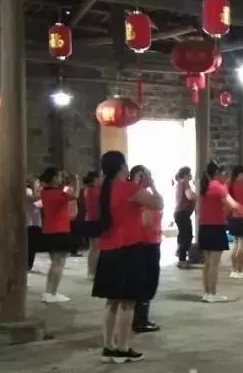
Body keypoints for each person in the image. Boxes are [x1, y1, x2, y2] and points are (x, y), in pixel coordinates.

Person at [92, 151, 164, 363]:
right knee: (127, 303)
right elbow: (158, 204)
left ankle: (108, 346)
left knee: (112, 302)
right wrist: (151, 185)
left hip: (109, 249)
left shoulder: (105, 189)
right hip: (128, 249)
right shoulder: (128, 188)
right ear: (122, 166)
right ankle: (123, 347)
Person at [198, 161, 243, 303]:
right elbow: (232, 205)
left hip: (204, 226)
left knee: (207, 263)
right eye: (224, 174)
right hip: (216, 227)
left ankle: (207, 293)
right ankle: (212, 294)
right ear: (217, 173)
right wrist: (241, 209)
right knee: (214, 264)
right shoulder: (218, 187)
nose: (226, 176)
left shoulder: (205, 186)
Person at [38, 167, 80, 303]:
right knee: (59, 264)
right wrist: (76, 180)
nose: (62, 178)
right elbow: (75, 196)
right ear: (54, 178)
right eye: (59, 176)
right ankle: (52, 293)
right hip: (60, 230)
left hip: (48, 230)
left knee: (54, 264)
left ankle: (48, 292)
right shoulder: (58, 193)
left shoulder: (44, 192)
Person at [129, 166, 162, 332]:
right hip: (146, 243)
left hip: (151, 242)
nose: (151, 177)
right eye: (148, 175)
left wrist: (153, 186)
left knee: (148, 281)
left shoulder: (144, 194)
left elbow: (160, 203)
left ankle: (140, 318)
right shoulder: (140, 196)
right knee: (147, 281)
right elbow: (148, 221)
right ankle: (140, 320)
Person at [172, 167, 197, 270]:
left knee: (184, 236)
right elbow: (190, 196)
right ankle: (181, 260)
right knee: (186, 237)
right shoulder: (184, 182)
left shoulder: (180, 183)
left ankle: (181, 256)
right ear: (186, 175)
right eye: (190, 174)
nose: (191, 176)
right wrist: (198, 195)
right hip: (182, 213)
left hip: (181, 213)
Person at [81, 171, 102, 280]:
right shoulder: (93, 190)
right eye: (100, 178)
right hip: (95, 220)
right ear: (95, 179)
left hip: (90, 219)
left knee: (93, 248)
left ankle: (91, 271)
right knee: (96, 248)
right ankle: (92, 272)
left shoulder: (88, 189)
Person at [24, 177, 43, 273]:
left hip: (35, 222)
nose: (38, 184)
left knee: (33, 246)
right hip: (29, 222)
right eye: (37, 182)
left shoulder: (35, 192)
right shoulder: (27, 190)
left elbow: (41, 204)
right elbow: (35, 201)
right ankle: (26, 265)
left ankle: (29, 265)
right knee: (29, 246)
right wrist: (41, 193)